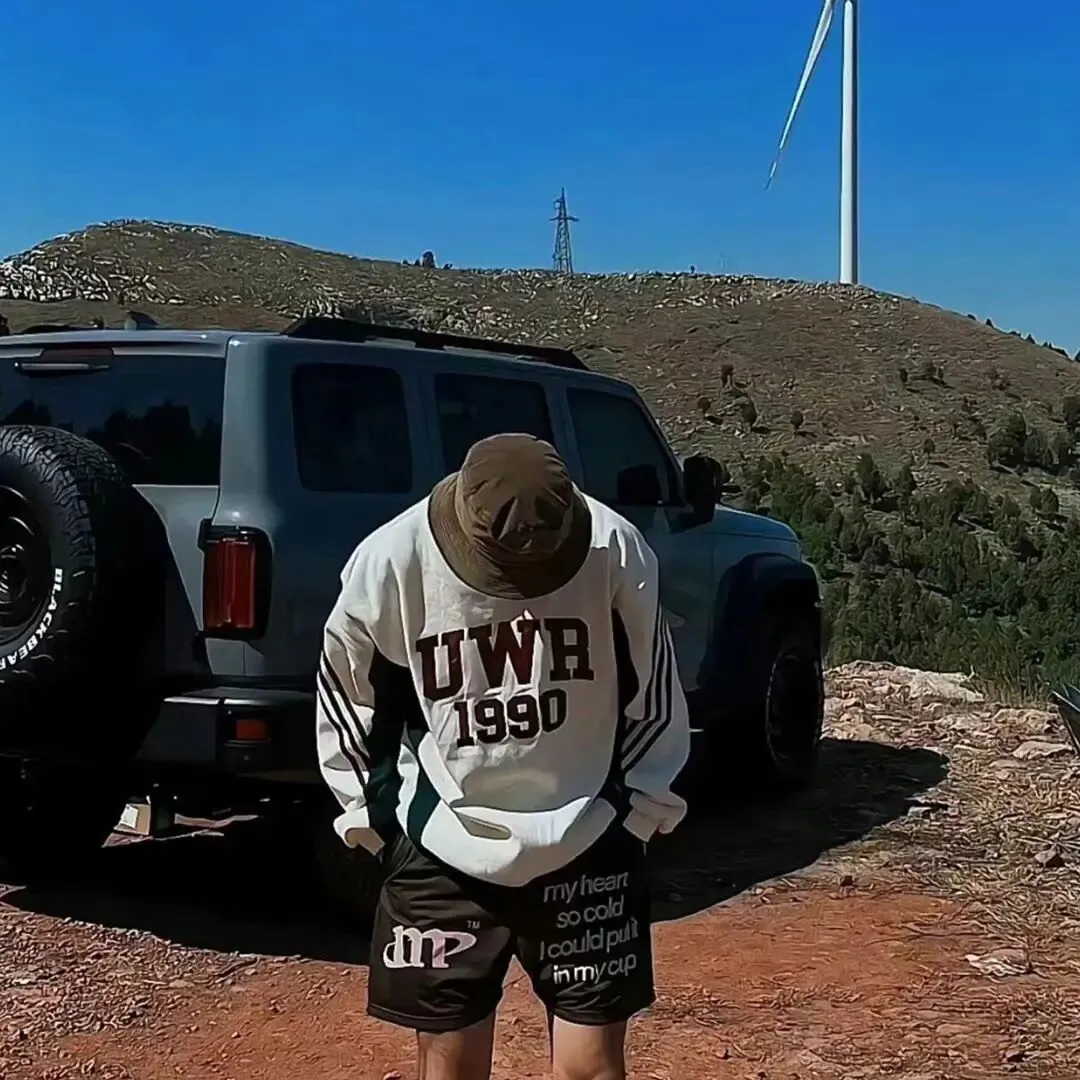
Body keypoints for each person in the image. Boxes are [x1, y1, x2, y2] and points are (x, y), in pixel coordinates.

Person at [317, 432, 691, 1080]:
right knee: (450, 1067)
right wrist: (379, 826)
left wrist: (634, 817)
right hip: (442, 847)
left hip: (588, 839)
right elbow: (348, 700)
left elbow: (653, 691)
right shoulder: (391, 561)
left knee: (591, 1070)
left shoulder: (614, 548)